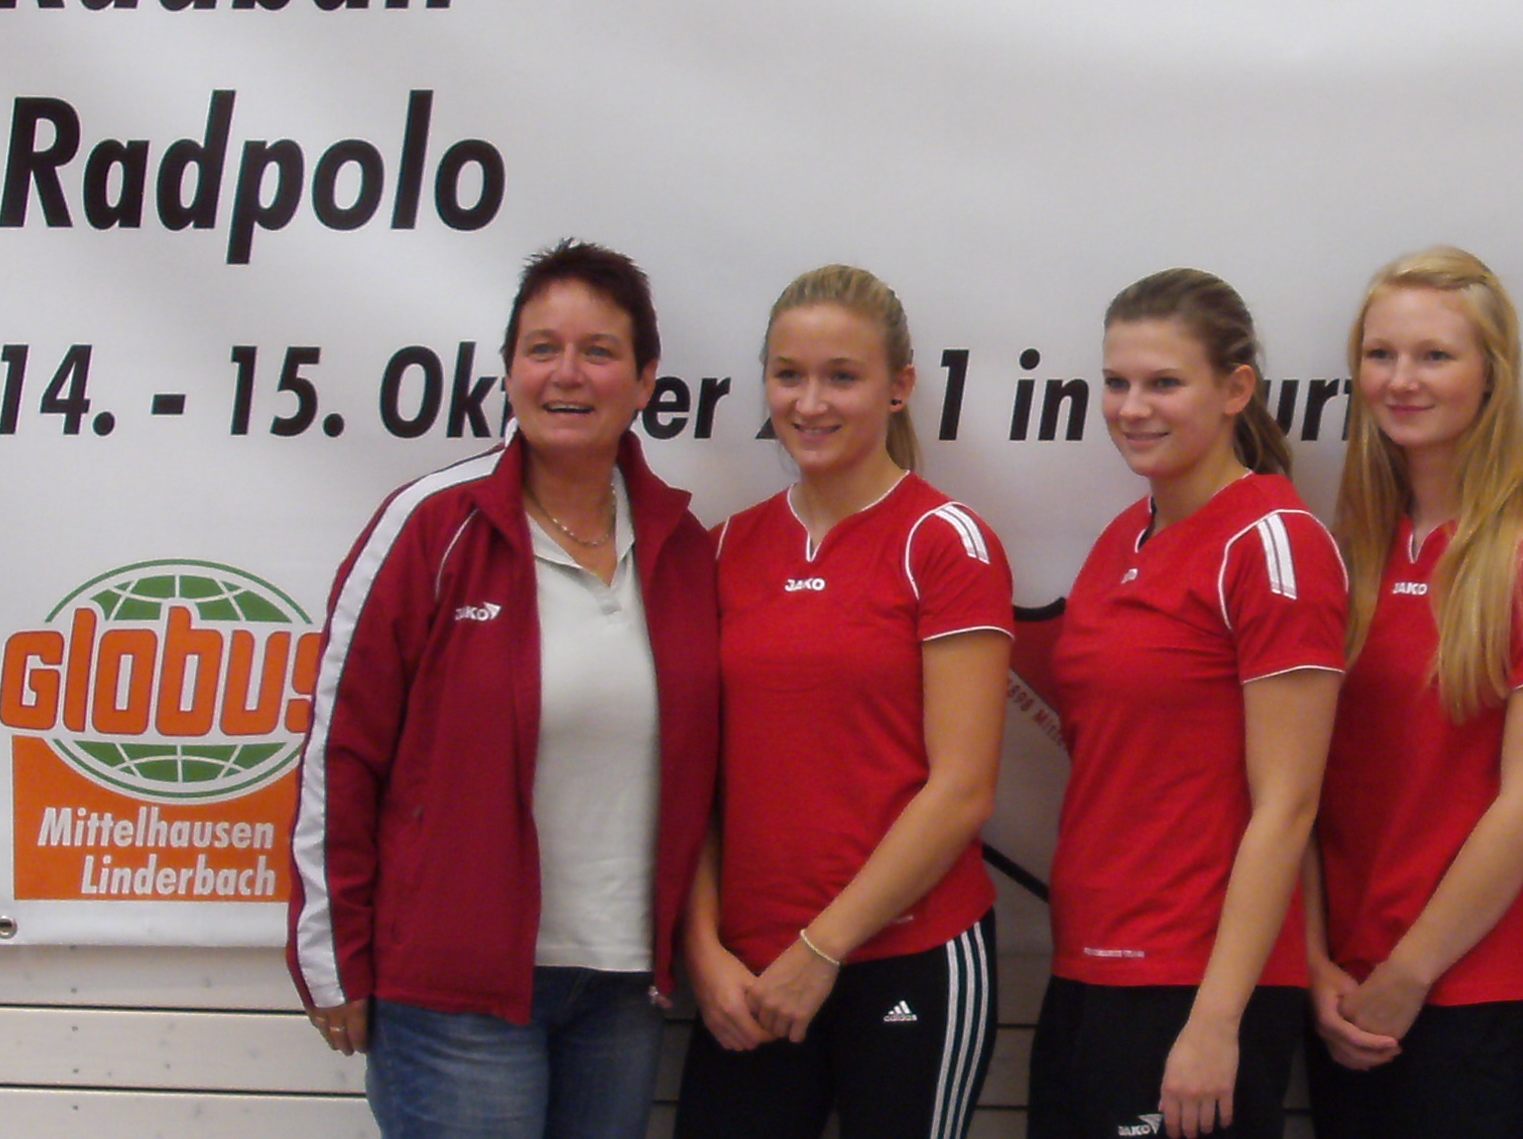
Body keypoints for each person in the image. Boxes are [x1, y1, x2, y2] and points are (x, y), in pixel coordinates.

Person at [288, 240, 719, 1139]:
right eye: (541, 348)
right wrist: (331, 956)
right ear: (510, 369)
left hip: (621, 988)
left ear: (646, 380)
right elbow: (341, 752)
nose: (567, 373)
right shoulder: (431, 525)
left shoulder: (683, 547)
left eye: (599, 351)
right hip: (455, 995)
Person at [680, 266, 1015, 1139]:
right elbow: (696, 786)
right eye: (788, 374)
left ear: (899, 387)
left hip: (909, 954)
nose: (811, 402)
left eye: (842, 376)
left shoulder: (946, 542)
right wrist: (702, 947)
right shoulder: (722, 550)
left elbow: (962, 788)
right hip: (747, 975)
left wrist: (821, 947)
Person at [1031, 269, 1348, 1139]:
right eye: (1117, 381)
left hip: (1196, 983)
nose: (1132, 407)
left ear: (1236, 389)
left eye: (1164, 382)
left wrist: (1215, 1021)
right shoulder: (1121, 537)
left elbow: (1288, 805)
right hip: (1087, 965)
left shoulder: (1275, 543)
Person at [1305, 249, 1523, 1139]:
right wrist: (1315, 962)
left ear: (1491, 375)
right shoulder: (1351, 552)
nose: (1402, 380)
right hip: (1347, 995)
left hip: (1480, 995)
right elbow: (1300, 794)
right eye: (1381, 354)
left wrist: (1411, 971)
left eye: (1434, 355)